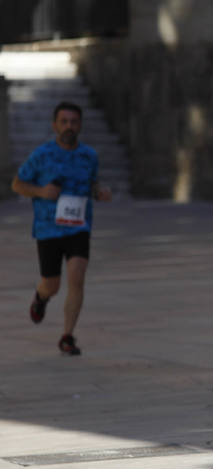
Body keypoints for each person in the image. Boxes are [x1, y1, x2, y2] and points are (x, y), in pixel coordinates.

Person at [11, 101, 112, 356]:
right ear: (55, 125)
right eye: (64, 121)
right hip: (48, 229)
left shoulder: (89, 156)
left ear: (80, 125)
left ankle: (67, 336)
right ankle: (41, 297)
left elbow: (93, 182)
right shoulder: (41, 155)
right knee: (52, 284)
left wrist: (99, 191)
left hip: (79, 226)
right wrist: (40, 191)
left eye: (74, 122)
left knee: (77, 277)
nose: (69, 126)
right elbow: (17, 184)